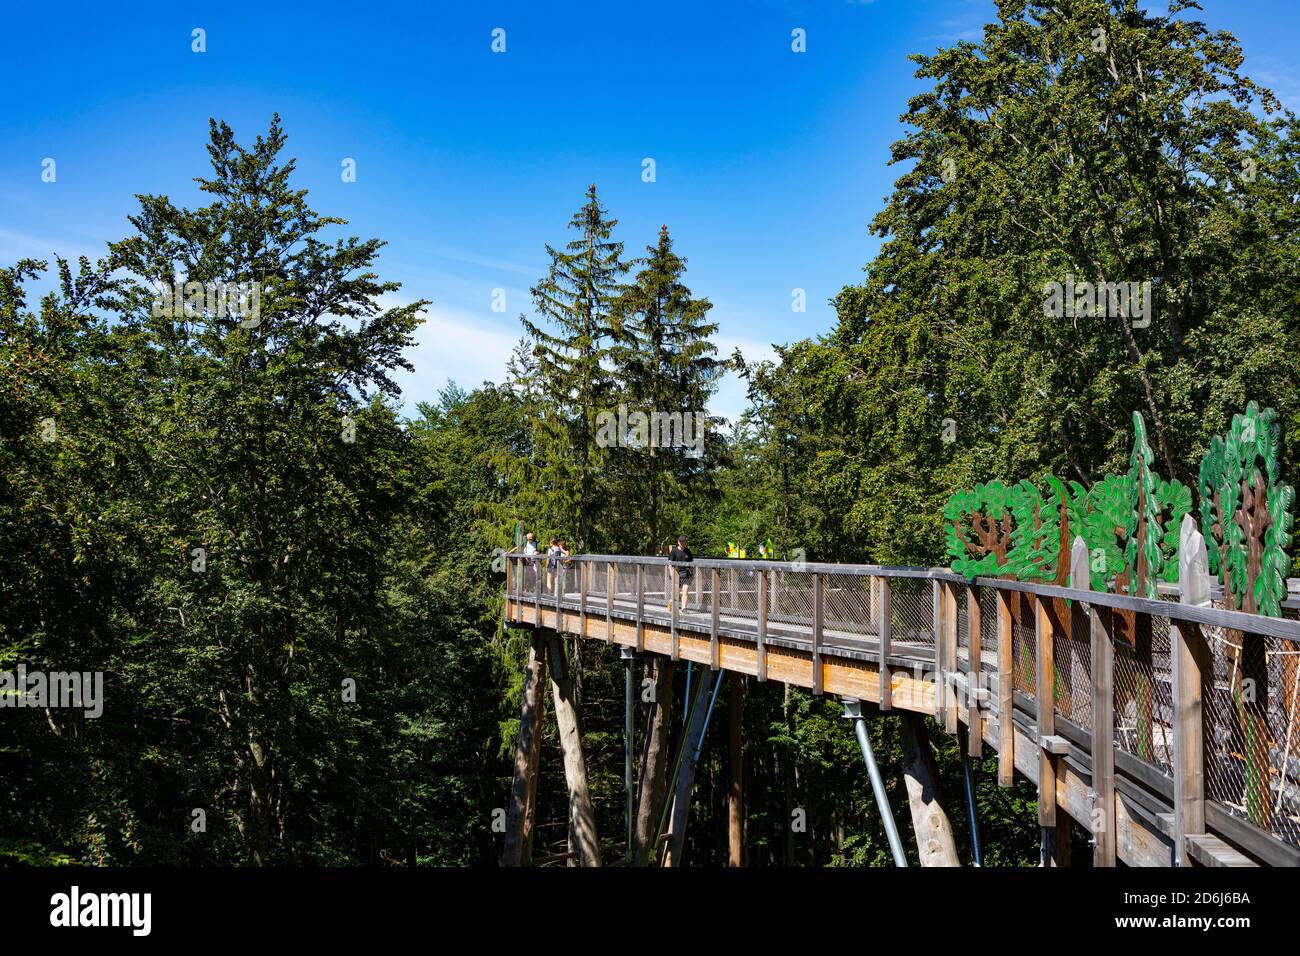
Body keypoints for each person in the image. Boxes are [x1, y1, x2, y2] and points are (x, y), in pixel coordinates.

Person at [668, 535, 694, 611]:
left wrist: (691, 572)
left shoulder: (688, 551)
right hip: (676, 573)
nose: (682, 543)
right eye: (681, 541)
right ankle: (671, 602)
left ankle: (684, 608)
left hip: (685, 574)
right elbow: (669, 564)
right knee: (676, 592)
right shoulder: (674, 551)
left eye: (683, 541)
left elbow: (691, 563)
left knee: (685, 590)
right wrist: (672, 574)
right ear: (678, 542)